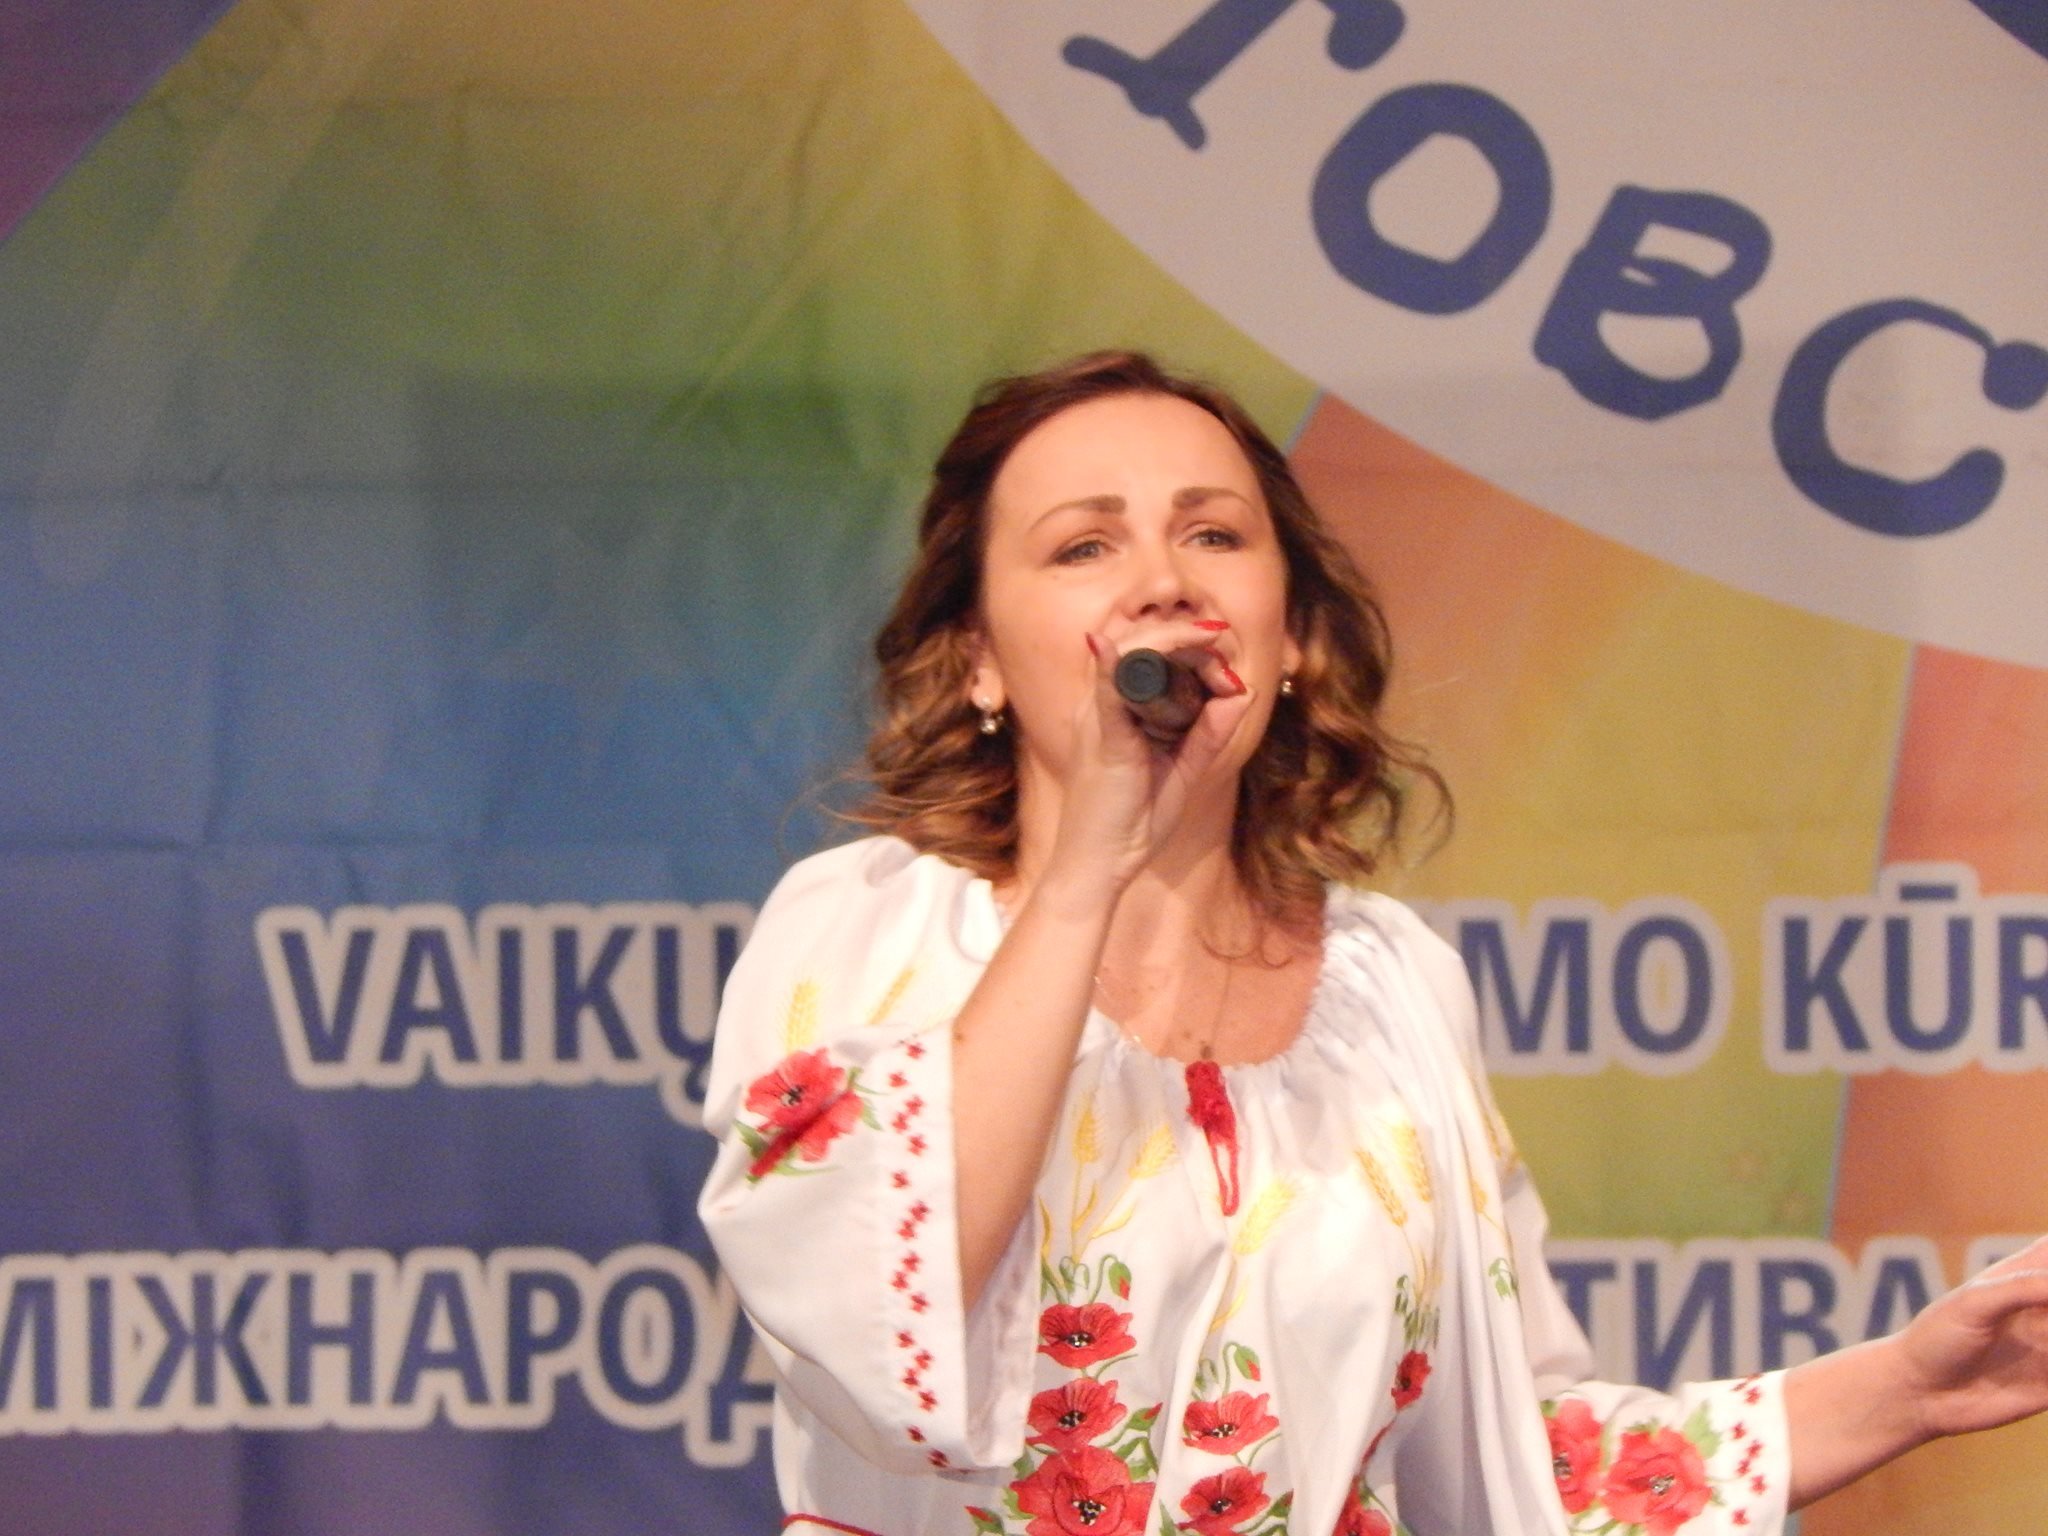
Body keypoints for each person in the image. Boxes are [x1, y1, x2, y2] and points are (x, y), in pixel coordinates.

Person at [697, 351, 2048, 1536]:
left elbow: (1507, 1469)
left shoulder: (1393, 986)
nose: (1162, 582)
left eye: (1214, 534)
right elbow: (866, 1325)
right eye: (1084, 547)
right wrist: (1089, 865)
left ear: (1288, 636)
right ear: (979, 659)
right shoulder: (869, 928)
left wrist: (1910, 1387)